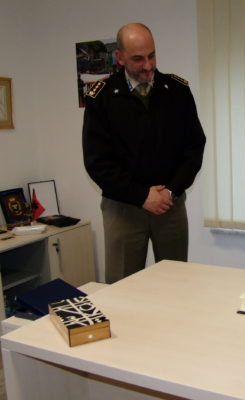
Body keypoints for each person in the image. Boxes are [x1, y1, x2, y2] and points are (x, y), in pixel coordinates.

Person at [82, 23, 206, 283]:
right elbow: (98, 163)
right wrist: (142, 195)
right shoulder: (101, 98)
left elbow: (194, 148)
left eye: (152, 56)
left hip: (169, 205)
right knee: (122, 288)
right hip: (123, 208)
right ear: (120, 57)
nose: (148, 65)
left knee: (175, 284)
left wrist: (170, 191)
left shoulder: (178, 91)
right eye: (138, 59)